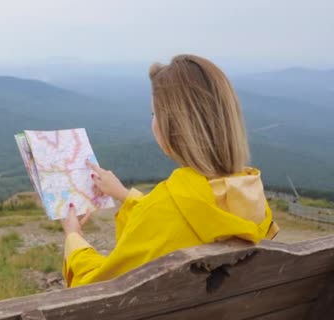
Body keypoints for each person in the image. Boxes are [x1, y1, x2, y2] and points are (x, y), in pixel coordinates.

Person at [61, 54, 279, 288]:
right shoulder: (252, 201)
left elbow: (96, 288)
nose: (153, 122)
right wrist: (125, 196)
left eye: (155, 114)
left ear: (174, 126)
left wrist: (74, 237)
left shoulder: (161, 212)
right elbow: (184, 218)